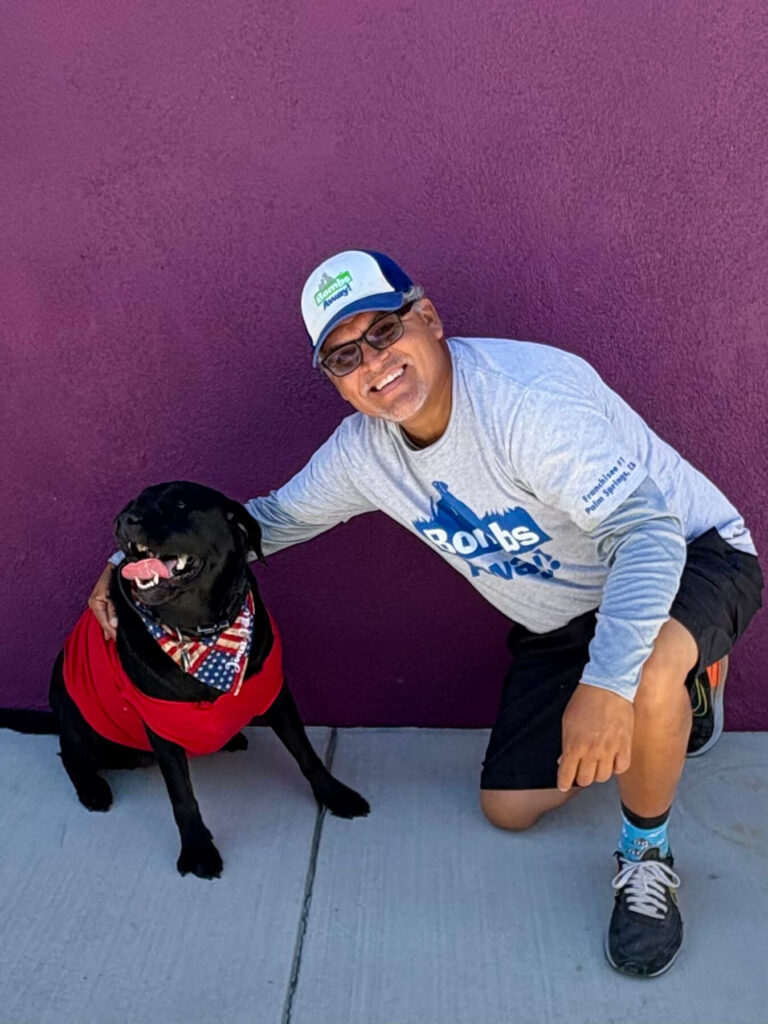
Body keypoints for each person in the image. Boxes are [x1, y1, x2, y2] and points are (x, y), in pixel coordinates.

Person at [90, 249, 763, 977]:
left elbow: (648, 535)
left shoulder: (524, 403)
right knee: (510, 808)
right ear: (335, 382)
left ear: (430, 319)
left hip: (690, 556)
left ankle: (647, 854)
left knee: (646, 668)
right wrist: (135, 562)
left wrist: (608, 685)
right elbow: (262, 525)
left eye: (384, 330)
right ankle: (667, 700)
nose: (374, 363)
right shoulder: (364, 454)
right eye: (345, 356)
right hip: (568, 617)